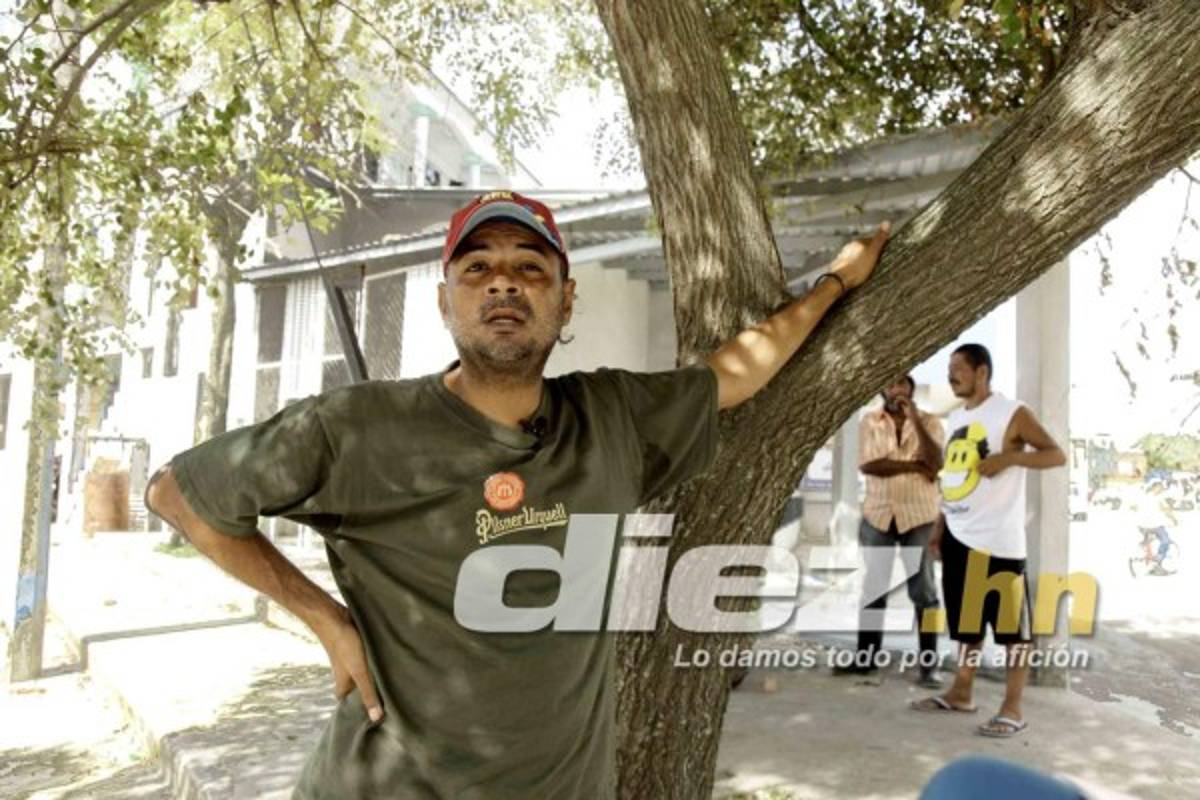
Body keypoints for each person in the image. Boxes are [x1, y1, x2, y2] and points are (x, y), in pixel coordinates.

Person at [144, 190, 891, 799]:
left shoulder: (610, 418)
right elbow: (179, 493)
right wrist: (327, 621)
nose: (503, 281)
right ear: (445, 303)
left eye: (530, 268)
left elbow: (736, 372)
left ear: (567, 302)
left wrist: (836, 284)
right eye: (478, 268)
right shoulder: (358, 427)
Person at [910, 343, 1065, 738]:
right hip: (959, 535)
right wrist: (940, 529)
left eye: (958, 368)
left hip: (999, 542)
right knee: (967, 625)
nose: (951, 375)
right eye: (949, 368)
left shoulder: (1012, 411)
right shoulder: (958, 416)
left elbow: (1055, 455)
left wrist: (1010, 458)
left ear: (982, 372)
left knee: (1013, 631)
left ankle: (1012, 708)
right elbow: (953, 478)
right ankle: (961, 693)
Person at [833, 374, 944, 687]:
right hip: (879, 515)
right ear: (882, 388)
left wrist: (915, 421)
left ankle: (929, 666)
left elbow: (935, 464)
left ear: (911, 388)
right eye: (891, 383)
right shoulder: (870, 422)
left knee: (924, 593)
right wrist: (913, 466)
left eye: (903, 384)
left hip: (919, 516)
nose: (897, 389)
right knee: (874, 590)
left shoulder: (931, 422)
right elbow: (869, 465)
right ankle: (865, 660)